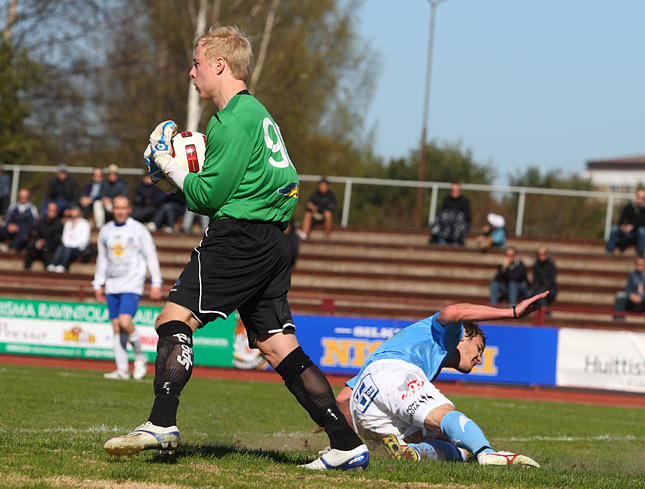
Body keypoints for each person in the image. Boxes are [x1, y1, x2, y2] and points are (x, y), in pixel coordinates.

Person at [103, 26, 368, 471]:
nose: (192, 73)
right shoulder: (259, 115)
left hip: (239, 237)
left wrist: (170, 166)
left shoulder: (229, 119)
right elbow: (269, 185)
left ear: (219, 65)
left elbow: (206, 199)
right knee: (277, 346)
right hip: (273, 240)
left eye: (197, 63)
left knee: (173, 317)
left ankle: (160, 422)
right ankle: (345, 443)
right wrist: (178, 182)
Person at [335, 292, 546, 467]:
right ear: (464, 336)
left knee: (437, 439)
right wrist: (512, 312)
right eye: (479, 348)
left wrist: (347, 441)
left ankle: (410, 452)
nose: (480, 359)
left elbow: (344, 399)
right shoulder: (451, 333)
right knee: (444, 416)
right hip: (394, 372)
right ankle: (487, 452)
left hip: (365, 397)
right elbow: (452, 312)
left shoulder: (412, 351)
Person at [92, 195, 163, 380]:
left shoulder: (139, 230)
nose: (120, 211)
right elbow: (102, 258)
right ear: (112, 209)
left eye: (123, 208)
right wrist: (98, 282)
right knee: (116, 327)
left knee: (125, 322)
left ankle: (140, 357)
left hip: (132, 282)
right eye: (116, 208)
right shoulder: (105, 231)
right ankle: (122, 369)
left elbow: (150, 255)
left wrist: (156, 282)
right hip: (112, 284)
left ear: (129, 209)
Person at [48, 206, 91, 273]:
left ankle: (63, 265)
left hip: (79, 248)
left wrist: (70, 245)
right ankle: (53, 264)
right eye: (71, 216)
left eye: (75, 216)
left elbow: (84, 240)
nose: (73, 218)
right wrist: (68, 244)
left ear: (80, 215)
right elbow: (65, 237)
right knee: (60, 248)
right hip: (67, 246)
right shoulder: (68, 223)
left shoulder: (85, 224)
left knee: (68, 250)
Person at [24, 201, 63, 270]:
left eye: (54, 211)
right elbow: (36, 233)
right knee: (30, 245)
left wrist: (45, 242)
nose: (52, 212)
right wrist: (38, 241)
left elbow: (57, 238)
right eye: (50, 210)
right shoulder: (40, 221)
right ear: (47, 211)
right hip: (39, 244)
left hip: (51, 246)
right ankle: (27, 267)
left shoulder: (59, 224)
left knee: (45, 246)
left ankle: (48, 266)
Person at [605, 189, 645, 257]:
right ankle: (609, 250)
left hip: (636, 232)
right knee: (613, 229)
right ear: (636, 197)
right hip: (625, 230)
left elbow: (643, 223)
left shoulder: (644, 210)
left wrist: (632, 227)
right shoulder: (628, 207)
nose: (641, 199)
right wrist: (623, 226)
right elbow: (622, 218)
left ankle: (640, 253)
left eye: (643, 198)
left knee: (642, 231)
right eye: (639, 197)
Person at [0, 188, 38, 253]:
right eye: (22, 196)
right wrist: (9, 225)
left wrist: (18, 227)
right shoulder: (13, 206)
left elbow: (32, 224)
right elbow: (7, 218)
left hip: (22, 232)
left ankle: (8, 247)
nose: (23, 198)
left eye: (25, 196)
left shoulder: (32, 208)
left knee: (24, 234)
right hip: (10, 229)